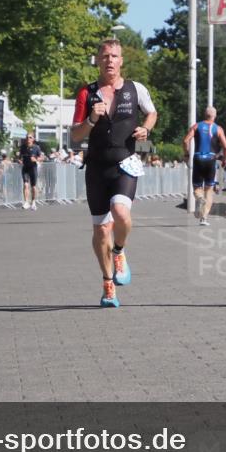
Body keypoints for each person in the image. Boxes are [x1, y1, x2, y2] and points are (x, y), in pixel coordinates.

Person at [70, 38, 158, 307]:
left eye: (115, 56)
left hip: (125, 163)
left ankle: (119, 251)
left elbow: (152, 113)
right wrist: (91, 119)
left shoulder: (135, 89)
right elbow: (75, 135)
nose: (110, 60)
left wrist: (146, 128)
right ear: (98, 60)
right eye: (105, 56)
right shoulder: (87, 93)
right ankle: (108, 284)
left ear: (122, 61)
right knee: (100, 231)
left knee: (121, 213)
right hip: (97, 167)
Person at [183, 106, 226, 226]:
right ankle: (204, 218)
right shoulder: (218, 129)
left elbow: (185, 141)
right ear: (215, 115)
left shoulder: (197, 126)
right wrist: (224, 159)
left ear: (205, 114)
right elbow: (225, 147)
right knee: (209, 189)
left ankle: (199, 198)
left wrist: (187, 154)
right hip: (211, 159)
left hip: (198, 158)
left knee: (197, 188)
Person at [18, 134, 43, 210]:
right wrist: (19, 161)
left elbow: (41, 157)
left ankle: (33, 202)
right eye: (27, 137)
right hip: (25, 167)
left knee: (33, 186)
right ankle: (26, 202)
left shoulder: (36, 147)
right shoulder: (23, 147)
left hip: (33, 168)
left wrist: (35, 159)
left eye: (30, 137)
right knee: (25, 185)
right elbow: (19, 157)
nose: (28, 139)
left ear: (33, 139)